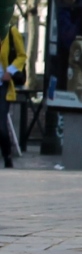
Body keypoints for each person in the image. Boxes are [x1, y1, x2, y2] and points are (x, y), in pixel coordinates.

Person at [0, 25, 27, 169]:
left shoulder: (11, 31)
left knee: (1, 126)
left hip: (2, 85)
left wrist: (9, 71)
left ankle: (7, 156)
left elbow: (22, 55)